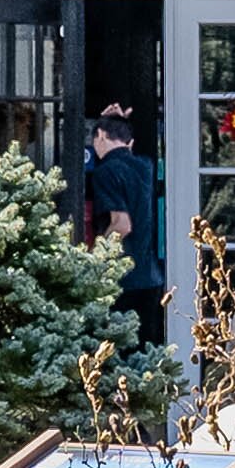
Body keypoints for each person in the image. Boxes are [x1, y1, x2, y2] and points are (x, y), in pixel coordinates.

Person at [69, 97, 164, 326]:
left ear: (100, 135)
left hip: (123, 279)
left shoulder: (106, 171)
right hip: (150, 276)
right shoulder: (146, 165)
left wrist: (94, 260)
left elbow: (121, 224)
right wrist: (116, 122)